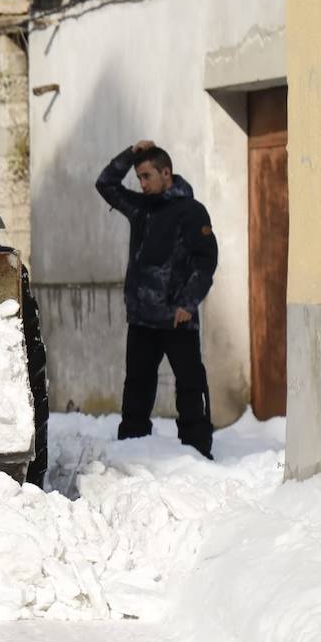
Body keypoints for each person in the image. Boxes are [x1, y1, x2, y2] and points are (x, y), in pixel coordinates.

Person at [96, 140, 218, 458]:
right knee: (136, 386)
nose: (142, 183)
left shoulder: (191, 211)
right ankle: (132, 448)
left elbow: (206, 262)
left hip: (177, 319)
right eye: (139, 177)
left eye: (147, 175)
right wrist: (131, 153)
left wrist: (187, 304)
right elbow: (105, 183)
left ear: (167, 172)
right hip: (141, 319)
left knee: (190, 385)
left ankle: (197, 451)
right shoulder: (141, 207)